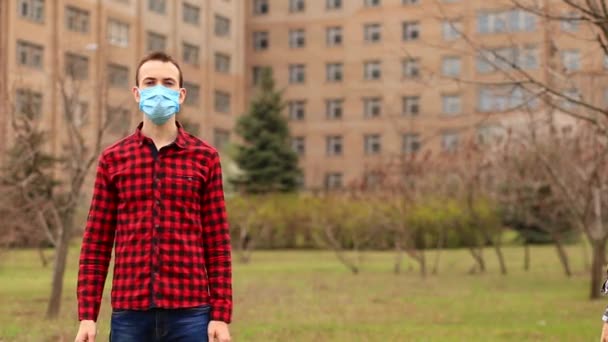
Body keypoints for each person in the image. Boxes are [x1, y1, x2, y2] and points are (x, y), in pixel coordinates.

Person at [74, 52, 232, 342]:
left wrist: (220, 315)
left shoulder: (205, 158)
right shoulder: (113, 159)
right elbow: (96, 243)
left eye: (168, 83)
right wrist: (87, 315)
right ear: (137, 92)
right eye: (150, 82)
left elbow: (217, 242)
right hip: (129, 313)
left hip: (191, 312)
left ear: (181, 94)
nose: (159, 89)